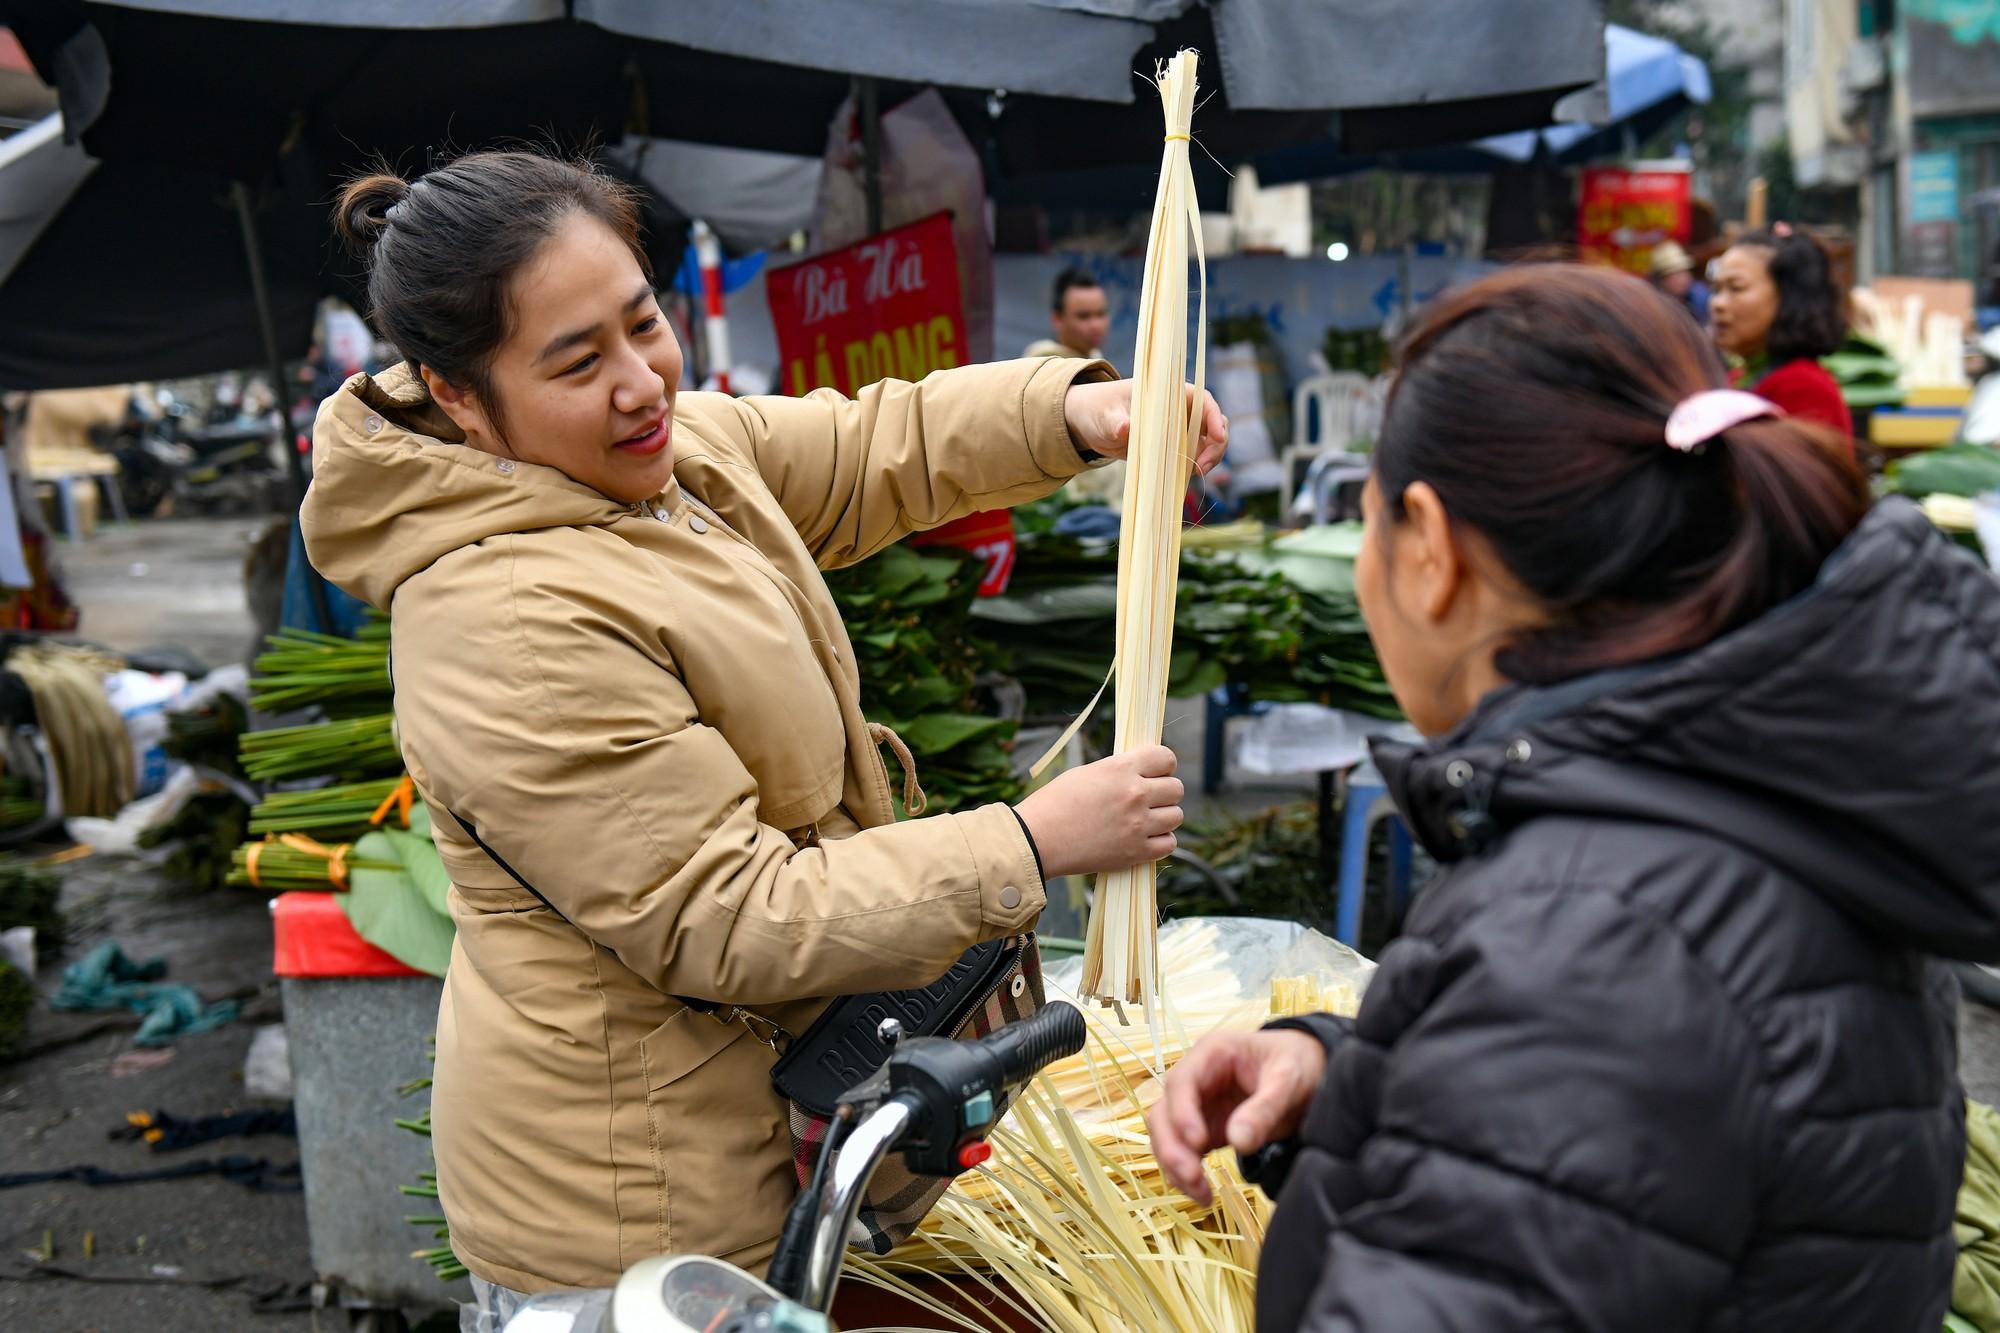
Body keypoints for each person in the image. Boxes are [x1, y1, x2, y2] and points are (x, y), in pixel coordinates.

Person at [302, 150, 1226, 1309]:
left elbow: (863, 449)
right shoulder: (503, 620)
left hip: (764, 1141)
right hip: (642, 1217)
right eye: (576, 361)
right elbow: (724, 913)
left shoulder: (667, 459)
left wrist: (1075, 410)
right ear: (454, 393)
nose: (640, 382)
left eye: (643, 323)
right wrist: (1028, 843)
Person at [1149, 263, 1999, 1332]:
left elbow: (1593, 1064)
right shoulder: (1757, 797)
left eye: (1367, 523)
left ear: (1430, 547)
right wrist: (1354, 1073)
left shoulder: (1591, 942)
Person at [1711, 226, 1853, 436]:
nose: (1718, 304)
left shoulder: (1804, 388)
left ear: (1787, 296)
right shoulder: (1741, 376)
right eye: (1716, 289)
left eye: (1736, 288)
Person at [1024, 268, 1110, 360]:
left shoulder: (1095, 357)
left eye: (1101, 314)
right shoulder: (1042, 364)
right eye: (1083, 316)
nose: (1095, 325)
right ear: (1058, 319)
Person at [1646, 238, 1709, 325]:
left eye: (1685, 271)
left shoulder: (1698, 296)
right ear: (1661, 280)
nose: (1684, 278)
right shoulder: (1652, 309)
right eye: (1676, 274)